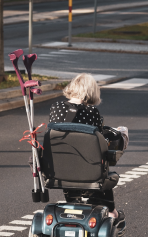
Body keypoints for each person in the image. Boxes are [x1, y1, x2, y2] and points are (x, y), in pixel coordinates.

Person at [48, 73, 128, 221]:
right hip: (88, 170)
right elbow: (98, 141)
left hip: (59, 168)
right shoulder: (91, 112)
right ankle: (112, 213)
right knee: (104, 172)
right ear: (91, 92)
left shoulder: (56, 107)